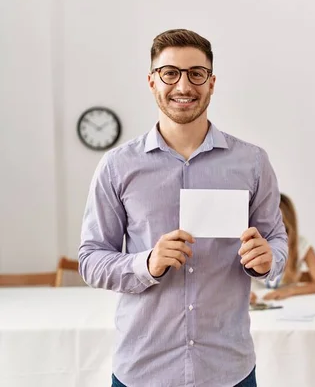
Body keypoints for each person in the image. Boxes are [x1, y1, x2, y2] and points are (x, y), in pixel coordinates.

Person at [78, 29, 288, 387]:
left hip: (228, 370)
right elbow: (91, 259)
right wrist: (146, 263)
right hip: (143, 370)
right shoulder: (117, 166)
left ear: (211, 82)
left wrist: (269, 258)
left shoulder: (252, 163)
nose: (183, 86)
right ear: (151, 81)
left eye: (196, 73)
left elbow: (277, 242)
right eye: (170, 73)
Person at [250, 193, 315, 303]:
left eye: (283, 230)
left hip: (287, 306)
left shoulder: (300, 244)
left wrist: (290, 291)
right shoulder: (251, 245)